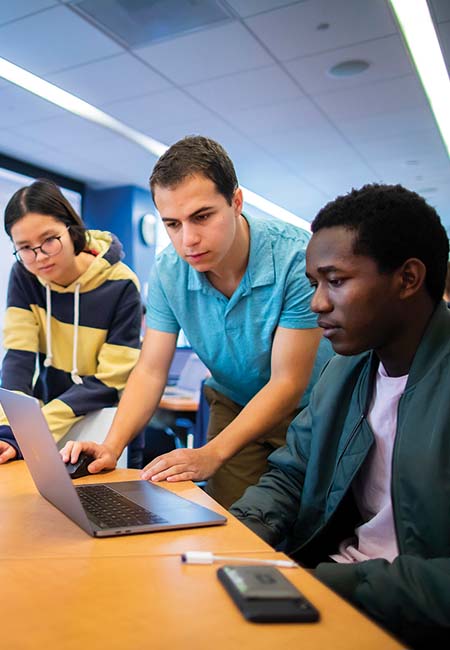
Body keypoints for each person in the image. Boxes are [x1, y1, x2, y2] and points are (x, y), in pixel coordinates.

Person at [230, 183, 450, 647]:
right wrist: (234, 541)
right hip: (332, 584)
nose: (317, 303)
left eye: (337, 280)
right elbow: (291, 476)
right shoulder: (342, 370)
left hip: (399, 612)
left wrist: (322, 582)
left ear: (408, 279)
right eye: (314, 284)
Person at [62, 135, 332, 508]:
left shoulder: (294, 259)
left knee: (307, 524)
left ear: (236, 202)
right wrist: (112, 445)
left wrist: (211, 453)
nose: (188, 239)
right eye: (172, 224)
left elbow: (287, 381)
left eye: (202, 217)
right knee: (236, 521)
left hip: (310, 407)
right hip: (234, 399)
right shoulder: (170, 271)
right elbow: (151, 370)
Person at [0, 179, 142, 463]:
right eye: (25, 247)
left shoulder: (121, 284)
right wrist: (8, 430)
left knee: (104, 505)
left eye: (49, 240)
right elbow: (19, 358)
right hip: (49, 423)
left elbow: (110, 381)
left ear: (72, 228)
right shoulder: (24, 275)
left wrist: (32, 430)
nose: (39, 257)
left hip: (106, 424)